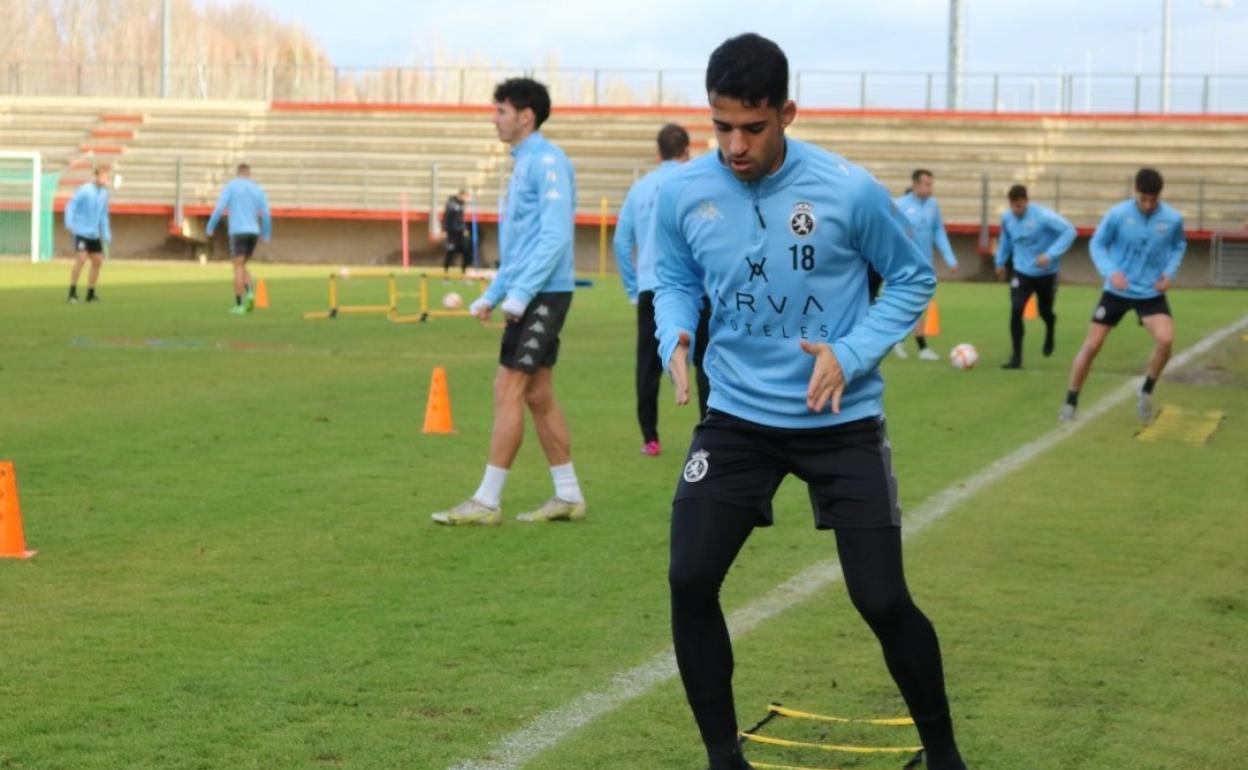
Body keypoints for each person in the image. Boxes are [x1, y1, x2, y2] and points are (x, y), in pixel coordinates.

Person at [655, 34, 966, 770]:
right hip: (736, 418)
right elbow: (673, 274)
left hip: (841, 420)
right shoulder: (683, 191)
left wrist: (849, 353)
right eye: (720, 125)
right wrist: (674, 333)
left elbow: (913, 281)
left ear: (787, 113)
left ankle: (945, 756)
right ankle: (723, 760)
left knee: (882, 601)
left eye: (752, 128)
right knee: (689, 579)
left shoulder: (849, 191)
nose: (734, 144)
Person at [431, 77, 585, 526]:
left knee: (508, 389)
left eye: (500, 110)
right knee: (537, 393)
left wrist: (518, 296)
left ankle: (486, 502)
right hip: (532, 291)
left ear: (526, 115)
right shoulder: (523, 165)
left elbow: (555, 237)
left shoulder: (548, 162)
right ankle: (569, 494)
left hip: (544, 293)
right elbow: (522, 246)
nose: (493, 118)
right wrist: (494, 294)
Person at [614, 123, 710, 456]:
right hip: (697, 287)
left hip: (652, 287)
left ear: (658, 153)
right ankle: (709, 435)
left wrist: (633, 286)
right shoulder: (698, 183)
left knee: (648, 365)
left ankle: (650, 438)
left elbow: (621, 241)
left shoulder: (640, 188)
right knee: (705, 362)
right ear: (688, 150)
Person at [1061, 168, 1185, 424]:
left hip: (1150, 292)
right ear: (1135, 192)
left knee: (1166, 340)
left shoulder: (1172, 219)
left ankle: (1146, 391)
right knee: (1092, 345)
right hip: (1117, 290)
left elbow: (1178, 245)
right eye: (1143, 199)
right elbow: (1097, 244)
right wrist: (1110, 272)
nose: (1148, 205)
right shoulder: (1118, 214)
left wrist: (1169, 274)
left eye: (1153, 199)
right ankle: (1070, 402)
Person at [994, 184, 1076, 369]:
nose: (1017, 210)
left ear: (1026, 201)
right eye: (1013, 206)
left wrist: (1050, 255)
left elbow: (1070, 231)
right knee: (1016, 309)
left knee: (1045, 312)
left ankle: (1050, 327)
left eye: (1020, 206)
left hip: (1046, 273)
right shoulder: (1007, 218)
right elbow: (1005, 240)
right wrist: (999, 262)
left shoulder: (1043, 216)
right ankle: (1016, 358)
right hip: (1021, 272)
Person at [894, 170, 958, 360]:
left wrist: (950, 258)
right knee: (911, 303)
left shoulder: (932, 205)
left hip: (925, 264)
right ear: (916, 184)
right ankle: (921, 348)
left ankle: (899, 340)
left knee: (918, 305)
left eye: (931, 184)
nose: (930, 188)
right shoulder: (900, 205)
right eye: (927, 184)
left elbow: (939, 231)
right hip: (904, 265)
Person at [206, 163, 272, 315]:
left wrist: (210, 226)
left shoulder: (231, 187)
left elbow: (219, 207)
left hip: (238, 231)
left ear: (238, 173)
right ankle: (249, 294)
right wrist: (266, 233)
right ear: (249, 173)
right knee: (242, 264)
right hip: (253, 232)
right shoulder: (257, 189)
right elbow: (267, 214)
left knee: (237, 267)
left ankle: (239, 304)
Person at [65, 166, 111, 303]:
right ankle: (72, 292)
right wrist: (69, 222)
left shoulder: (104, 194)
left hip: (94, 233)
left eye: (106, 177)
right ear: (95, 176)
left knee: (98, 261)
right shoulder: (85, 190)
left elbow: (103, 215)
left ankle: (90, 293)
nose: (104, 180)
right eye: (102, 176)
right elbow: (71, 205)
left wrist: (106, 232)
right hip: (80, 231)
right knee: (82, 259)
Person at [442, 189, 473, 277]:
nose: (467, 199)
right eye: (466, 196)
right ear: (461, 195)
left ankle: (464, 274)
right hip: (452, 233)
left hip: (461, 232)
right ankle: (446, 275)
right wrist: (444, 230)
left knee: (466, 251)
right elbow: (447, 217)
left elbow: (460, 219)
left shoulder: (461, 205)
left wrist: (464, 229)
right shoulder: (452, 204)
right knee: (450, 253)